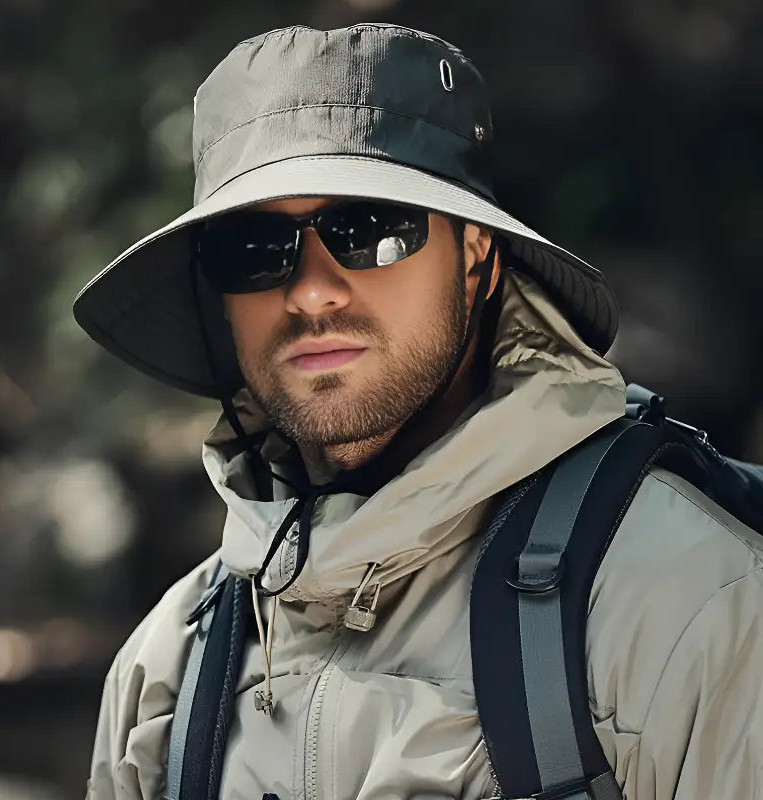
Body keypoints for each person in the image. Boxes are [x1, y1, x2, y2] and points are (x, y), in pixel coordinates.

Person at [76, 23, 763, 800]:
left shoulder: (684, 600)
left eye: (369, 229)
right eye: (253, 247)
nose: (311, 290)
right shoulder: (168, 668)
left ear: (477, 253)